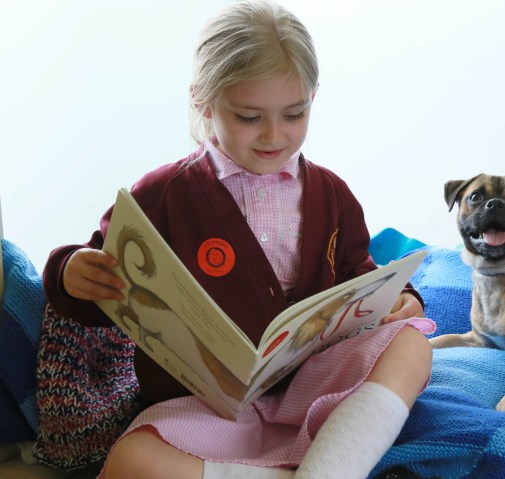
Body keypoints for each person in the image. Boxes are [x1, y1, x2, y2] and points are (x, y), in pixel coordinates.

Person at [42, 1, 434, 478]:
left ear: (314, 97)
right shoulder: (163, 193)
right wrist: (70, 272)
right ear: (203, 102)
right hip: (204, 408)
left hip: (314, 386)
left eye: (294, 114)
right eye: (249, 117)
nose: (275, 135)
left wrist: (401, 300)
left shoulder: (331, 193)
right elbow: (101, 285)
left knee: (412, 344)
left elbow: (360, 275)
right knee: (131, 462)